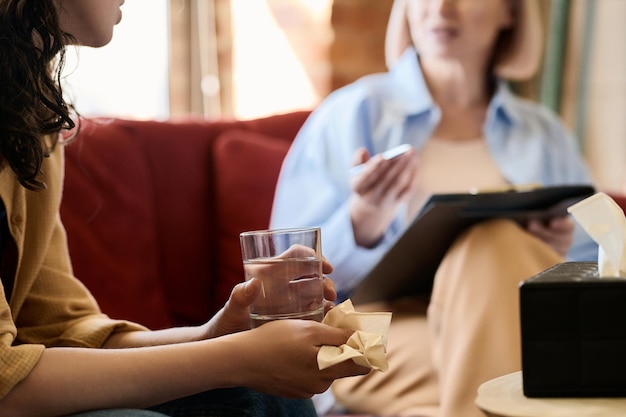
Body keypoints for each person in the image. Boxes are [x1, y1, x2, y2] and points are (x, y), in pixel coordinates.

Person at [0, 1, 369, 416]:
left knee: (270, 397)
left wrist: (217, 335)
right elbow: (6, 383)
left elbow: (64, 332)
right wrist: (238, 357)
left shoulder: (33, 115)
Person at [270, 0, 598, 416]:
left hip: (516, 322)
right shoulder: (351, 113)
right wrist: (361, 222)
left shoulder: (545, 135)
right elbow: (283, 287)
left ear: (510, 12)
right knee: (515, 367)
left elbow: (600, 275)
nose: (442, 8)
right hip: (368, 334)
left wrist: (558, 254)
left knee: (494, 265)